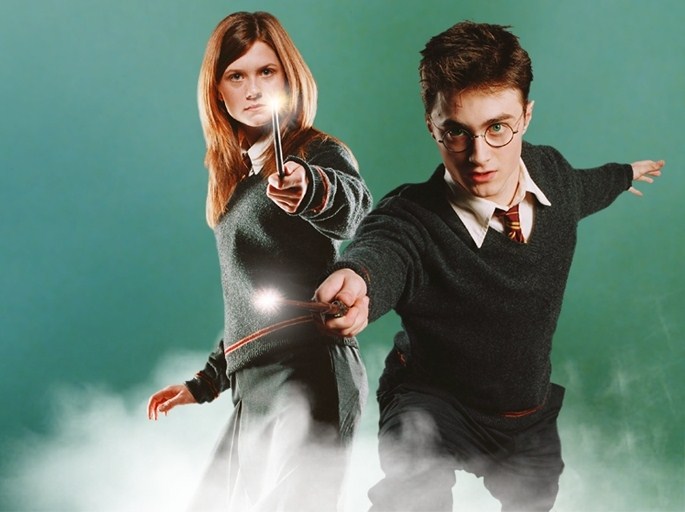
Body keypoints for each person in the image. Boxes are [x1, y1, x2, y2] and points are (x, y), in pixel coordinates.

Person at [315, 20, 664, 512]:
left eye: (498, 128)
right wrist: (358, 280)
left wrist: (625, 175)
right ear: (432, 125)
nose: (479, 156)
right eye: (456, 132)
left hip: (524, 413)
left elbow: (588, 187)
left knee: (535, 501)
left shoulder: (553, 175)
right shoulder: (411, 218)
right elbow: (383, 251)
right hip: (431, 399)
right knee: (413, 494)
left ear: (526, 116)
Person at [146, 11, 371, 512]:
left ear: (288, 78)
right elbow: (249, 299)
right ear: (218, 93)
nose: (253, 89)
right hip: (251, 388)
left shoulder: (316, 153)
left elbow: (356, 208)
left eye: (266, 71)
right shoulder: (236, 184)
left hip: (307, 371)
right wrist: (205, 382)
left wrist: (311, 189)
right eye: (236, 75)